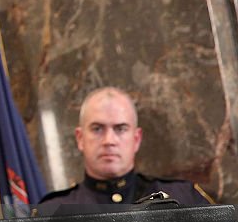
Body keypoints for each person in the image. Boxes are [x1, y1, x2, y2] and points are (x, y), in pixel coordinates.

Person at [39, 87, 213, 206]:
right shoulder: (52, 213)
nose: (109, 140)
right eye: (97, 129)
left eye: (121, 129)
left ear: (136, 139)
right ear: (80, 138)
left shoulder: (183, 198)